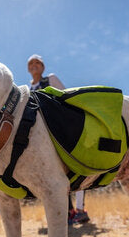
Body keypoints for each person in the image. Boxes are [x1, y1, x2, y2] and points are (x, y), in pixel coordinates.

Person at [26, 54, 90, 225]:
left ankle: (80, 210)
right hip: (41, 140)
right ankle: (67, 212)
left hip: (59, 130)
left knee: (76, 167)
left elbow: (65, 98)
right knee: (54, 175)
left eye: (37, 62)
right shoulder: (26, 90)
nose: (34, 65)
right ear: (28, 68)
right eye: (31, 63)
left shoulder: (51, 79)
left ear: (43, 66)